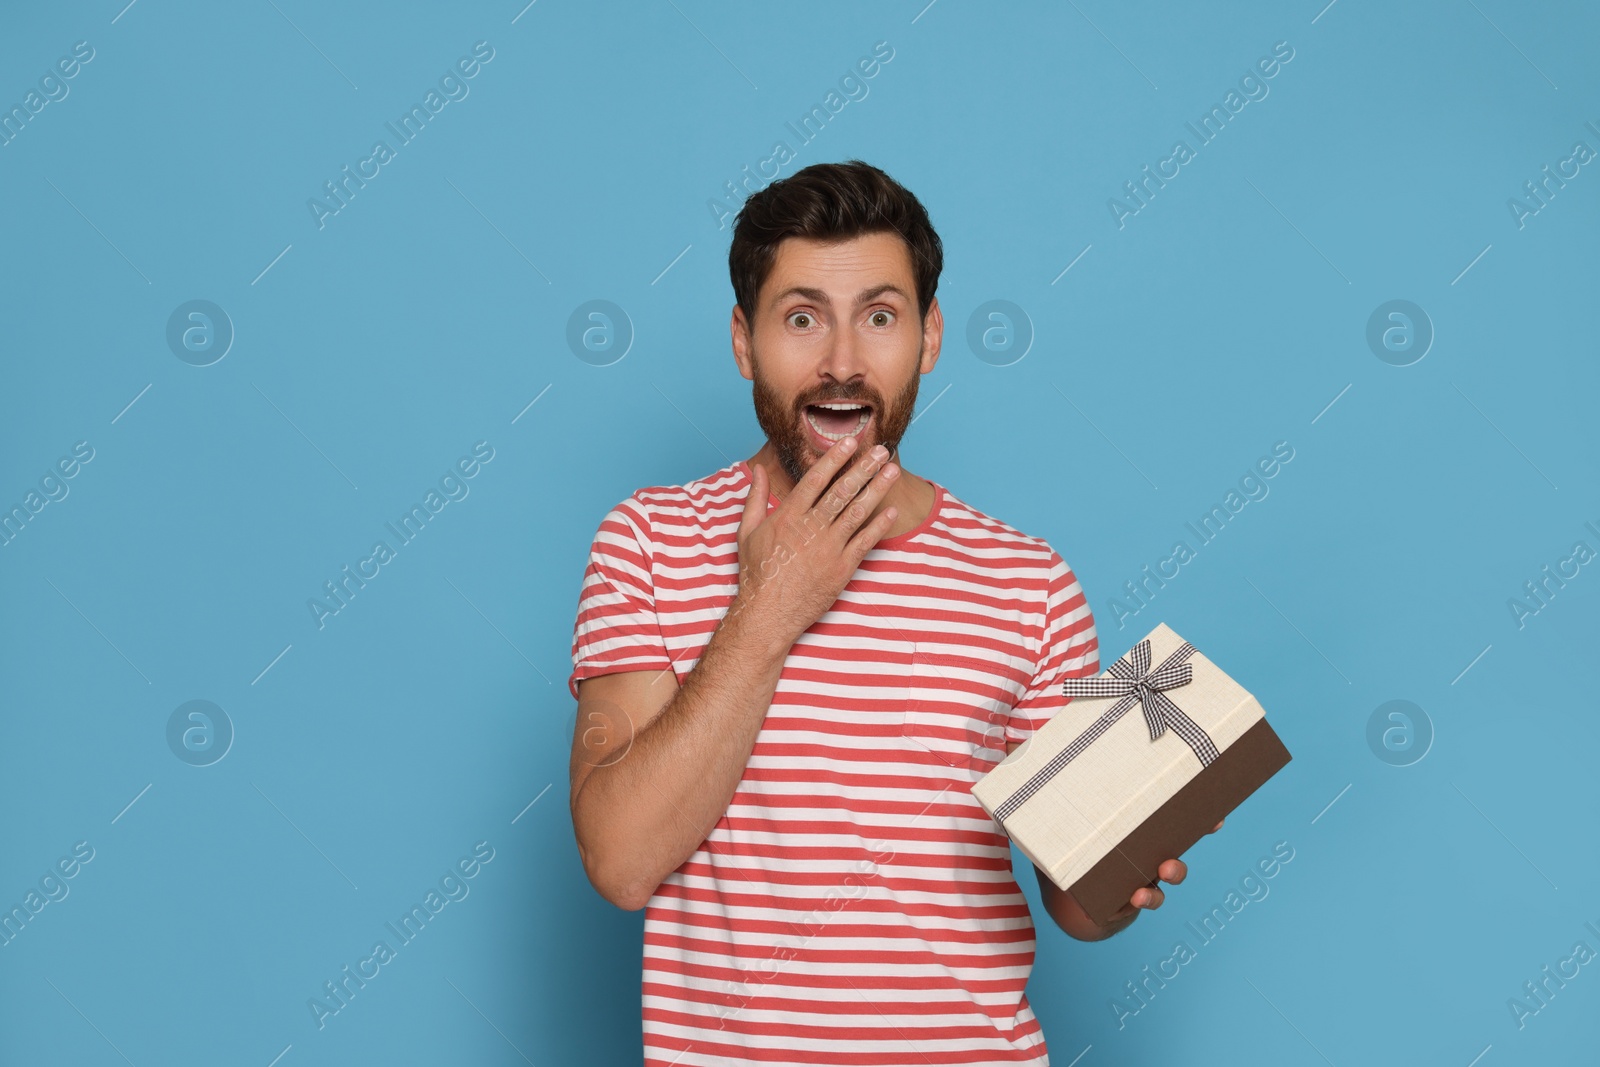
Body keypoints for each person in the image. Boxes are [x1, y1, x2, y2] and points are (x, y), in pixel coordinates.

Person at [567, 159, 1212, 1066]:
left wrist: (1125, 865)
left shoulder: (1028, 582)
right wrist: (769, 606)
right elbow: (621, 859)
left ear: (930, 335)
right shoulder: (649, 540)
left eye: (880, 316)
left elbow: (1073, 904)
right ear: (744, 342)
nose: (842, 361)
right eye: (801, 319)